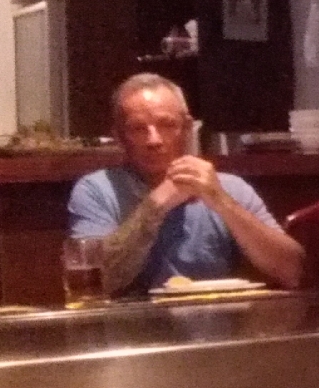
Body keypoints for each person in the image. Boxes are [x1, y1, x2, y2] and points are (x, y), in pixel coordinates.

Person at [68, 74, 304, 296]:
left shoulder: (229, 187)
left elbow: (293, 272)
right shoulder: (96, 190)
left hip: (217, 321)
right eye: (138, 129)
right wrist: (155, 206)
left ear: (188, 128)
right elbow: (98, 283)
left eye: (167, 125)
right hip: (131, 324)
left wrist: (221, 201)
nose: (154, 140)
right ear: (119, 137)